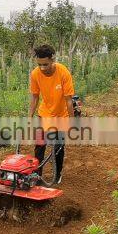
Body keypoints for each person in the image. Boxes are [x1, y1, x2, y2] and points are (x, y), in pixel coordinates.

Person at [29, 44, 75, 184]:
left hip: (61, 115)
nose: (42, 68)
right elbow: (35, 97)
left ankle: (57, 174)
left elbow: (68, 100)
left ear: (52, 59)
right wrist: (29, 117)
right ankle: (37, 176)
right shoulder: (35, 74)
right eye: (39, 64)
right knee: (39, 145)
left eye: (45, 64)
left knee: (58, 147)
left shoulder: (63, 72)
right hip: (44, 114)